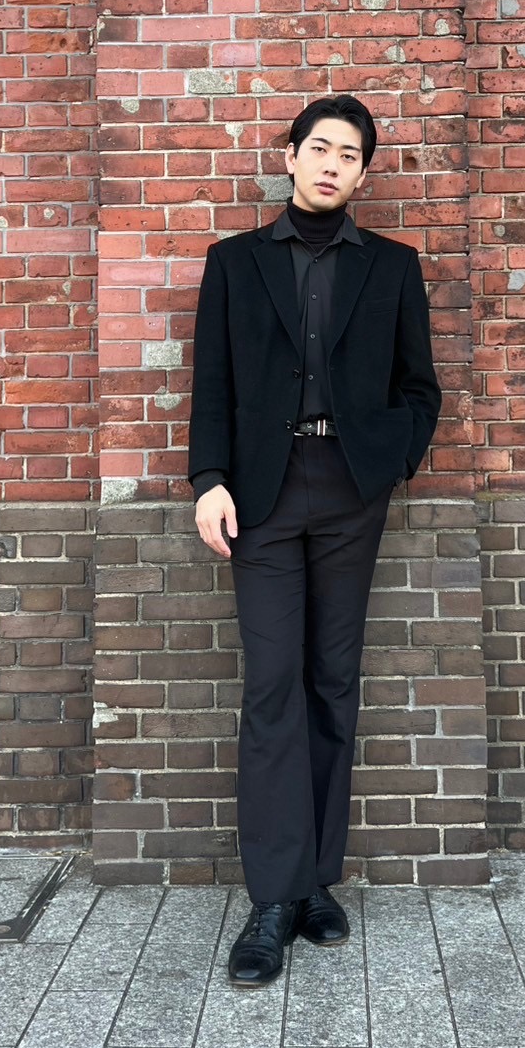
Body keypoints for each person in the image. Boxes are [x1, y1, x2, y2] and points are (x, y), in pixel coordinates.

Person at [187, 95, 441, 987]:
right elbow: (211, 381)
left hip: (348, 490)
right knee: (272, 686)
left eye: (350, 154)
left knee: (333, 681)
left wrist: (391, 461)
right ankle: (272, 899)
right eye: (320, 148)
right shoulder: (234, 262)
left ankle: (315, 880)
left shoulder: (393, 266)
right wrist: (208, 479)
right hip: (259, 495)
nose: (333, 164)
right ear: (290, 157)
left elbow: (420, 387)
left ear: (363, 172)